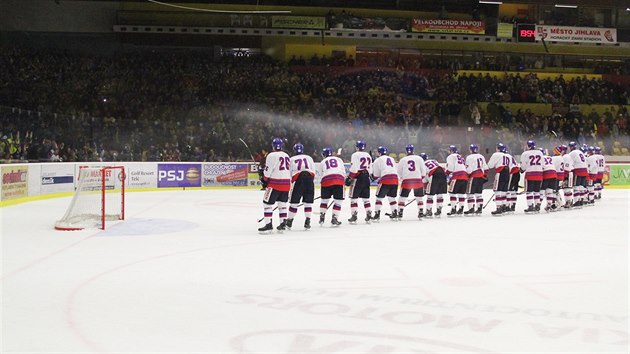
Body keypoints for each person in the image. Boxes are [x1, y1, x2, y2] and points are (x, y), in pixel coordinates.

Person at [258, 137, 291, 233]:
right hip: (286, 184)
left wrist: (264, 178)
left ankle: (268, 225)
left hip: (275, 184)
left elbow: (268, 172)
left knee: (266, 204)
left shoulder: (271, 156)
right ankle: (282, 224)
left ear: (273, 146)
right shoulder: (286, 155)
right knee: (282, 204)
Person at [286, 143, 315, 230]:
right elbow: (313, 171)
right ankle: (308, 221)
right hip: (309, 179)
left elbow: (289, 173)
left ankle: (289, 221)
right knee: (308, 203)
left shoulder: (291, 159)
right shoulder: (309, 158)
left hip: (298, 180)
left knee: (294, 203)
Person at [397, 144, 428, 219]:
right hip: (417, 180)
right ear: (413, 150)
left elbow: (399, 172)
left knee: (402, 197)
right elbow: (424, 172)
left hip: (406, 181)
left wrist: (403, 178)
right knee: (419, 198)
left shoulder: (403, 160)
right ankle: (420, 212)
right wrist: (420, 177)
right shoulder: (419, 158)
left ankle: (400, 212)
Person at [346, 140, 373, 224]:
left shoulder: (355, 154)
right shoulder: (368, 155)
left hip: (358, 178)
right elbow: (370, 168)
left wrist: (349, 177)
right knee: (366, 199)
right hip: (366, 177)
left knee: (354, 198)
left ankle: (354, 216)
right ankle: (369, 213)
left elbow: (354, 168)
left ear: (357, 147)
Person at [371, 146, 399, 222]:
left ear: (380, 152)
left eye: (377, 152)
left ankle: (377, 215)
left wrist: (373, 177)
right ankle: (395, 213)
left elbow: (376, 175)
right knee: (391, 198)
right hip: (395, 179)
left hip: (386, 180)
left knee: (379, 198)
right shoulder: (391, 158)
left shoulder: (378, 160)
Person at [319, 147, 345, 226]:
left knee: (324, 201)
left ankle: (322, 216)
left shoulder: (322, 162)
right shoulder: (339, 160)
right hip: (339, 180)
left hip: (326, 181)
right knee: (338, 201)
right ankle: (334, 218)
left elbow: (321, 175)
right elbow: (343, 172)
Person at [520, 140, 544, 213]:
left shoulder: (525, 153)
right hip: (539, 174)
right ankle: (537, 206)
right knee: (537, 191)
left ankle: (530, 206)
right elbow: (543, 164)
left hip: (530, 174)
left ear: (529, 146)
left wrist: (522, 169)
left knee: (529, 191)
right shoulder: (540, 153)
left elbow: (523, 166)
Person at [464, 143, 489, 215]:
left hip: (473, 177)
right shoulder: (481, 156)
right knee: (479, 194)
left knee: (470, 194)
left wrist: (467, 176)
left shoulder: (469, 157)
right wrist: (484, 175)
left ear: (470, 149)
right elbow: (486, 168)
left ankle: (471, 209)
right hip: (480, 177)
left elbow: (469, 170)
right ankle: (479, 209)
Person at [487, 143, 510, 215]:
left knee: (498, 191)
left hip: (500, 173)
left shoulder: (496, 154)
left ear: (498, 148)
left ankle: (498, 208)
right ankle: (504, 207)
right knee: (504, 191)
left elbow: (490, 165)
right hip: (507, 173)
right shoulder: (507, 155)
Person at [421, 152, 447, 217]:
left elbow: (424, 177)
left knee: (430, 196)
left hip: (434, 176)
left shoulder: (422, 164)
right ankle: (439, 210)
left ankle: (428, 211)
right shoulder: (434, 160)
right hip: (443, 175)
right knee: (439, 194)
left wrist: (424, 189)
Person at [445, 145, 468, 216]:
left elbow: (451, 168)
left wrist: (446, 173)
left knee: (452, 193)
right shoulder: (460, 156)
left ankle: (453, 209)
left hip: (457, 176)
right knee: (461, 194)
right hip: (465, 176)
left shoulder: (450, 157)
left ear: (451, 151)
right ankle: (461, 209)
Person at [568, 141, 588, 207]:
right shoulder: (580, 152)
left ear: (571, 147)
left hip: (578, 170)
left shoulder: (571, 153)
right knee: (581, 186)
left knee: (576, 186)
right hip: (584, 170)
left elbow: (569, 162)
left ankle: (577, 201)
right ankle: (581, 200)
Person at [506, 146, 520, 213]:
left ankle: (508, 206)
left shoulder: (506, 156)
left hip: (512, 173)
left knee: (508, 190)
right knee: (514, 191)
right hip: (517, 173)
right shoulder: (510, 156)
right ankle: (513, 206)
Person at [561, 144, 575, 208]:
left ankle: (569, 201)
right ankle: (568, 201)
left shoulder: (565, 157)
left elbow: (566, 167)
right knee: (565, 189)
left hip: (568, 174)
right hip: (568, 173)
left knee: (567, 189)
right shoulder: (566, 156)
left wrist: (564, 175)